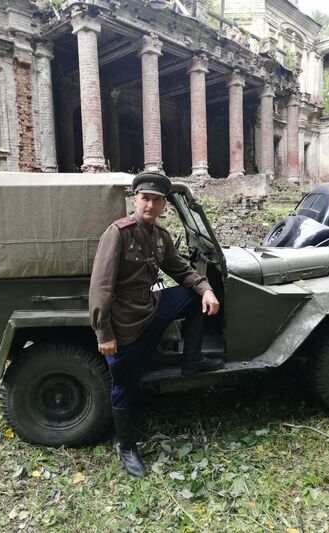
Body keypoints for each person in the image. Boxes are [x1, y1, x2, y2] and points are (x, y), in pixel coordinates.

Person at [89, 171, 224, 477]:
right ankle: (127, 447)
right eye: (145, 198)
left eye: (156, 200)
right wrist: (104, 333)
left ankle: (192, 360)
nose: (150, 205)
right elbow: (100, 287)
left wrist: (206, 289)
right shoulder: (118, 233)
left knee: (194, 299)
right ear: (135, 199)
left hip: (152, 305)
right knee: (124, 384)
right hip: (126, 320)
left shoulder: (160, 235)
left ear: (164, 204)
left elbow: (181, 270)